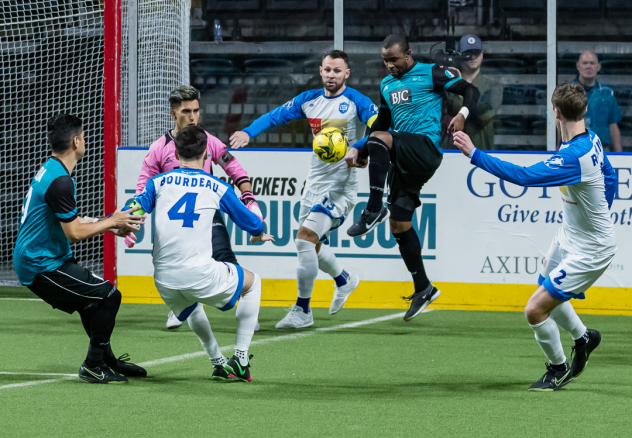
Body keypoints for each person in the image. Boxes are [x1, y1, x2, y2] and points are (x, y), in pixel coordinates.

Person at [453, 82, 615, 391]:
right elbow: (611, 174)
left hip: (592, 248)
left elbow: (523, 177)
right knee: (545, 286)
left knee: (535, 309)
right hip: (571, 235)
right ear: (584, 110)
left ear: (556, 112)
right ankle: (583, 338)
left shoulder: (573, 156)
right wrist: (601, 208)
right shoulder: (591, 139)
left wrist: (475, 154)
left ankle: (558, 368)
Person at [230, 50, 377, 329]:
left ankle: (303, 310)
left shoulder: (357, 101)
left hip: (341, 187)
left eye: (337, 70)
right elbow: (275, 116)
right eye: (327, 70)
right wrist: (248, 132)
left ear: (347, 73)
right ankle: (345, 280)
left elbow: (380, 127)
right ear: (320, 71)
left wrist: (359, 147)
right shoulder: (308, 100)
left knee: (303, 240)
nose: (331, 75)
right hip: (313, 185)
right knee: (312, 244)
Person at [346, 35, 480, 321]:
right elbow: (382, 123)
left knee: (380, 140)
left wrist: (462, 113)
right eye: (385, 61)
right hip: (403, 158)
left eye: (394, 60)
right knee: (399, 222)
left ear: (408, 55)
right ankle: (423, 288)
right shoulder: (386, 85)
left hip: (425, 148)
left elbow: (471, 91)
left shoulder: (431, 72)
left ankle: (371, 209)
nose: (389, 65)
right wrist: (361, 148)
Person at [131, 126, 273, 382]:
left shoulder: (157, 183)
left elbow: (131, 211)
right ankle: (240, 358)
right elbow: (253, 224)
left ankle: (218, 361)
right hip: (200, 275)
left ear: (174, 152)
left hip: (163, 281)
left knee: (191, 303)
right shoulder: (216, 186)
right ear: (207, 153)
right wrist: (253, 207)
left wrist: (105, 223)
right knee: (253, 283)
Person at [13, 114, 147, 384]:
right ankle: (92, 365)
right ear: (76, 141)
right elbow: (74, 233)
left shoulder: (53, 170)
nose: (85, 141)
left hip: (45, 257)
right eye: (83, 137)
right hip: (39, 264)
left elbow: (72, 221)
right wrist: (112, 220)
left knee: (92, 302)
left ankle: (105, 360)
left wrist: (110, 225)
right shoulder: (61, 181)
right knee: (109, 296)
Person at [135, 85, 262, 330]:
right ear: (173, 114)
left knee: (224, 253)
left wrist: (247, 194)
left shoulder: (208, 141)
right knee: (176, 259)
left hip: (206, 212)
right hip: (172, 220)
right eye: (186, 111)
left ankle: (244, 309)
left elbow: (234, 169)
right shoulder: (158, 149)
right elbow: (144, 186)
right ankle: (181, 306)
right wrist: (135, 219)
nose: (193, 117)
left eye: (196, 111)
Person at [442, 34, 503, 151]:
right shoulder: (448, 84)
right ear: (459, 55)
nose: (473, 57)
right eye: (468, 53)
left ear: (482, 55)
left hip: (481, 150)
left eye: (477, 53)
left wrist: (461, 88)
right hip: (452, 151)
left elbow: (482, 118)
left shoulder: (493, 86)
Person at [574, 50, 622, 152]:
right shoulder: (565, 93)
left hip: (602, 152)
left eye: (592, 63)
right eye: (585, 63)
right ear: (578, 66)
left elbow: (613, 126)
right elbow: (557, 125)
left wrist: (620, 155)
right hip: (575, 152)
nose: (588, 66)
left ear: (598, 67)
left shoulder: (607, 94)